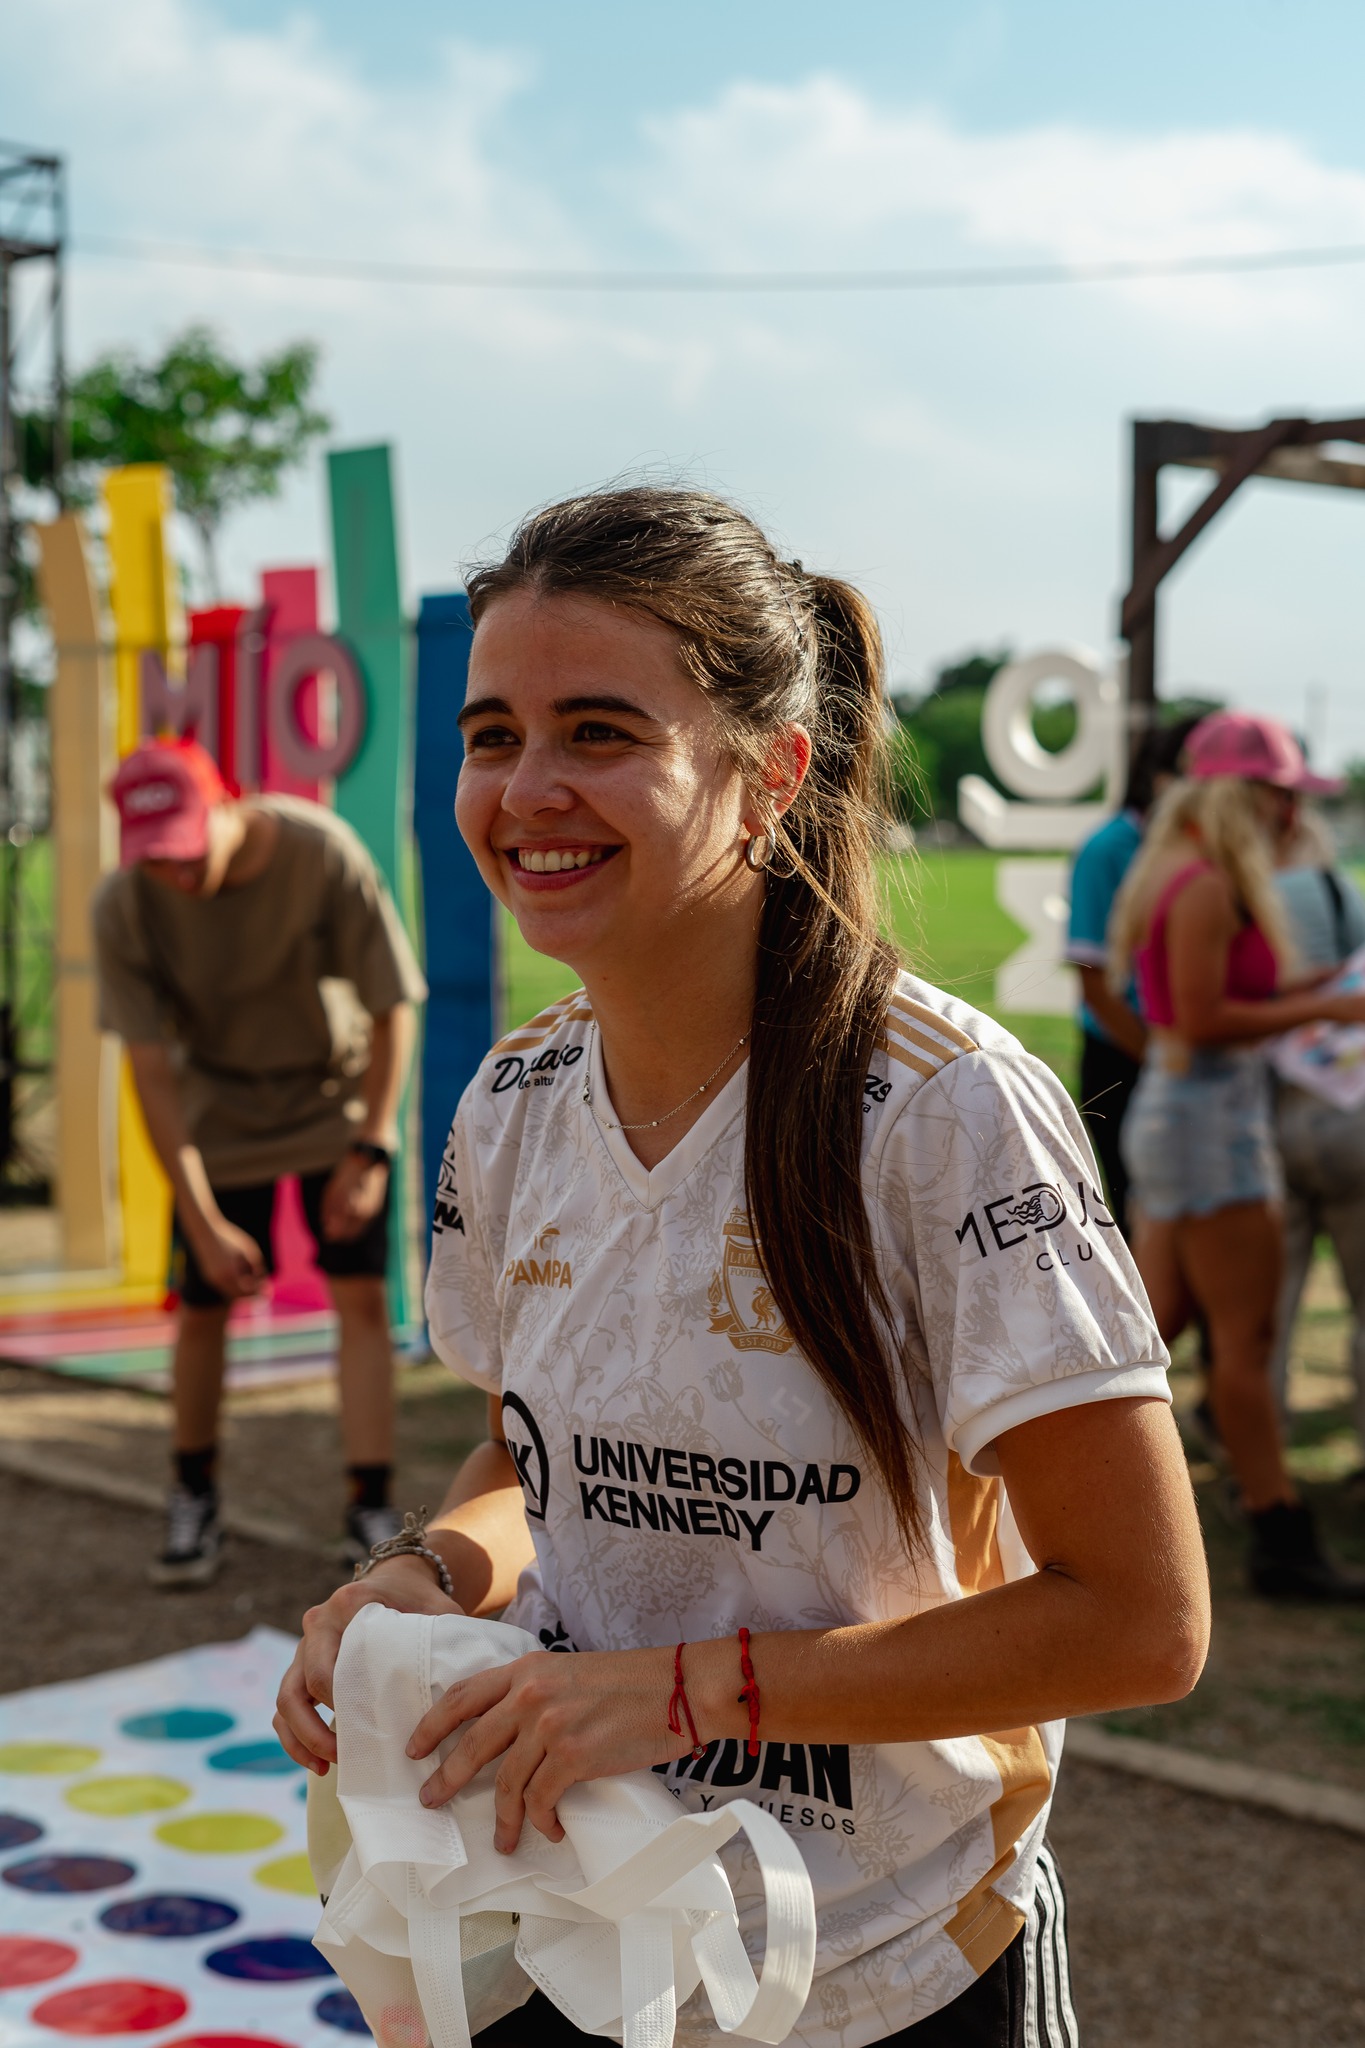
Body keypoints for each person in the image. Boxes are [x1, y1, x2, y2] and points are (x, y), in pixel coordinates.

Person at [275, 487, 1209, 2048]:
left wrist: (688, 1691)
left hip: (889, 1968)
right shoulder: (509, 1101)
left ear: (766, 773)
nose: (528, 789)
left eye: (597, 730)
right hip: (586, 1920)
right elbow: (534, 1456)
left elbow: (1140, 1621)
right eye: (492, 734)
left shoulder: (945, 1110)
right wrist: (424, 1575)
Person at [94, 737, 427, 1587]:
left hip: (332, 1101)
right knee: (201, 1305)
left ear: (226, 802)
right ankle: (194, 1494)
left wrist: (373, 1146)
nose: (174, 872)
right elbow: (151, 1070)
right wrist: (201, 1218)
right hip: (219, 1111)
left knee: (359, 1296)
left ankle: (370, 1505)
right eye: (153, 858)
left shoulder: (322, 854)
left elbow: (394, 1006)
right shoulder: (125, 904)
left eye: (185, 846)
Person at [1110, 710, 1365, 1600]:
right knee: (1243, 1343)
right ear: (1240, 792)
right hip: (1210, 1124)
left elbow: (1206, 997)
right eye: (1283, 794)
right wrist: (1323, 1012)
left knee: (1144, 1330)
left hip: (1188, 1117)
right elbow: (1199, 1017)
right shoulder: (1207, 883)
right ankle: (1278, 1533)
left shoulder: (1180, 870)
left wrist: (1313, 989)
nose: (1292, 814)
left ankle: (1064, 1497)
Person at [1065, 718, 1200, 1236]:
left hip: (1192, 1056)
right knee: (1135, 1230)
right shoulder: (1109, 848)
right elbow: (1093, 981)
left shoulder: (1199, 849)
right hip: (1124, 1055)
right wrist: (1158, 1059)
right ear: (1159, 777)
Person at [1269, 808, 1365, 1477]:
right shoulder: (1339, 891)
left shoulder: (1238, 899)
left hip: (1268, 1112)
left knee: (1267, 1313)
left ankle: (1261, 1456)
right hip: (1347, 1106)